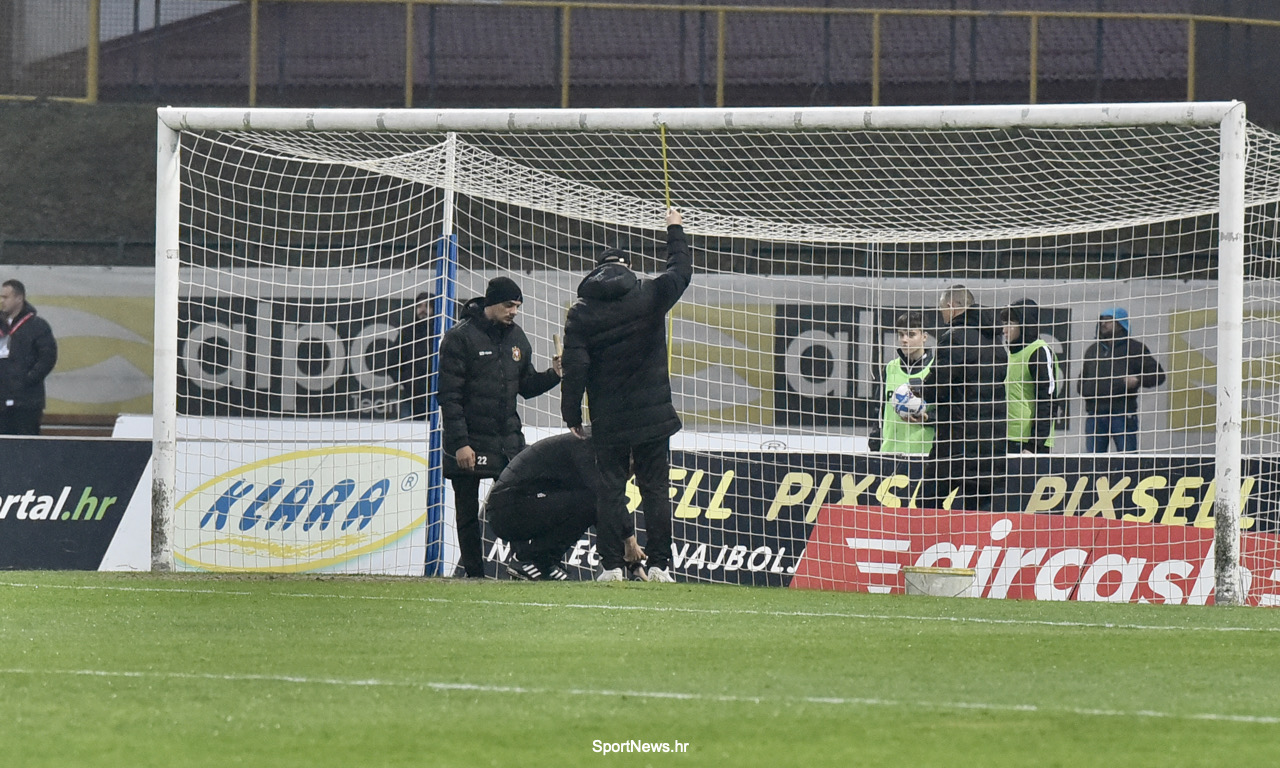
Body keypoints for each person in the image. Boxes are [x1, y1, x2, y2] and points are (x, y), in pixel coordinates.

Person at [561, 207, 692, 583]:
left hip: (609, 417)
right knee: (655, 489)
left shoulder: (582, 312)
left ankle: (612, 566)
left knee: (610, 489)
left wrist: (572, 414)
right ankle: (660, 566)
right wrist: (674, 229)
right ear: (628, 267)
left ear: (596, 270)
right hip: (653, 415)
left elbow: (575, 367)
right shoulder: (649, 294)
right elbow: (681, 271)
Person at [438, 276, 562, 577]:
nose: (514, 311)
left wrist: (554, 374)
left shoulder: (517, 337)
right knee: (467, 510)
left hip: (507, 441)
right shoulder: (459, 338)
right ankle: (474, 574)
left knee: (519, 501)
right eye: (509, 305)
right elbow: (449, 397)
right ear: (491, 303)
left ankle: (525, 561)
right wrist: (460, 444)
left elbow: (526, 385)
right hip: (468, 440)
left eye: (517, 306)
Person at [486, 431, 647, 581]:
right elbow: (606, 500)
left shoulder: (594, 446)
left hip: (521, 503)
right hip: (507, 509)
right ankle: (529, 559)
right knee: (591, 502)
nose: (629, 476)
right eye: (633, 470)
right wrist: (630, 541)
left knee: (593, 503)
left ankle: (545, 562)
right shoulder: (588, 448)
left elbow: (608, 513)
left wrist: (633, 564)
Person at [911, 285, 1007, 511]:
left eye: (942, 309)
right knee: (978, 509)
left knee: (927, 502)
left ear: (951, 307)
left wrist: (919, 390)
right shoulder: (994, 338)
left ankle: (937, 536)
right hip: (991, 442)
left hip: (957, 439)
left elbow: (939, 384)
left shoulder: (954, 337)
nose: (942, 315)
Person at [1078, 307, 1165, 452]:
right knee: (1093, 462)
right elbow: (1081, 383)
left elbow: (1158, 375)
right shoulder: (1093, 351)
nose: (1104, 324)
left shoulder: (1135, 349)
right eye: (1102, 320)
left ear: (1120, 324)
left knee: (1127, 460)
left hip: (1123, 414)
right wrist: (1090, 389)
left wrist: (1137, 379)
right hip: (1095, 416)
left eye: (1109, 320)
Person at [1000, 299, 1062, 454]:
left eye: (1010, 323)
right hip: (1007, 437)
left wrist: (1034, 445)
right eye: (1004, 323)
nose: (1004, 329)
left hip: (1028, 443)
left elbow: (1047, 401)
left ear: (1025, 324)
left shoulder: (1039, 352)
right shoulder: (1011, 354)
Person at [869, 310, 934, 456]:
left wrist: (928, 418)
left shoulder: (935, 369)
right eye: (901, 334)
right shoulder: (890, 368)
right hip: (890, 453)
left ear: (924, 337)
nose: (904, 340)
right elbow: (879, 410)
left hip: (924, 454)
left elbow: (949, 412)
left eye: (911, 334)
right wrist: (875, 445)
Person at [0, 280, 58, 436]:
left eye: (6, 297)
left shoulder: (37, 326)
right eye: (1, 297)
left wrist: (28, 379)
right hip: (1, 401)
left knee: (26, 445)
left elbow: (48, 357)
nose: (2, 301)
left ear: (19, 298)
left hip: (27, 402)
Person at [395, 292, 432, 420]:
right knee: (406, 429)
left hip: (436, 396)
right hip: (410, 395)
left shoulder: (441, 333)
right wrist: (406, 382)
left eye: (427, 306)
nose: (423, 310)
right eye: (419, 306)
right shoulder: (407, 333)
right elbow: (393, 362)